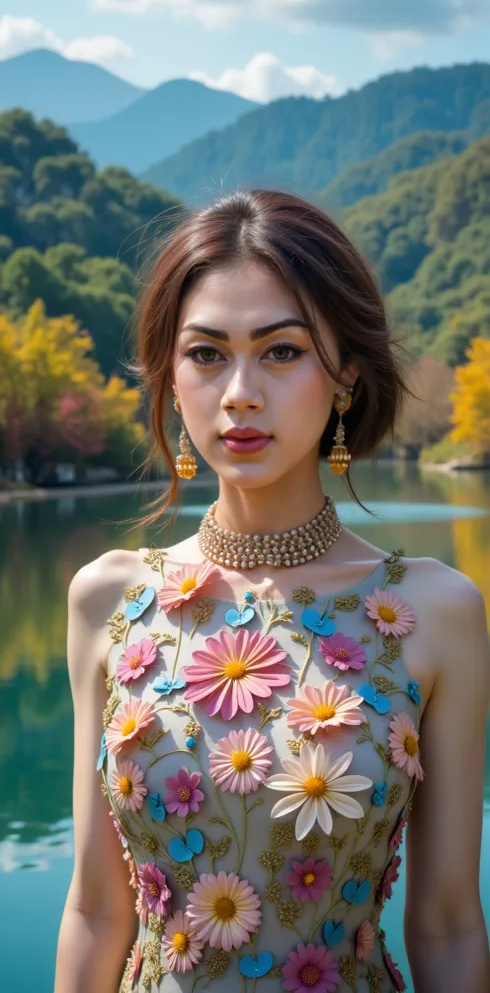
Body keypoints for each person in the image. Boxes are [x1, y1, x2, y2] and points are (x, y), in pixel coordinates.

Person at [55, 189, 490, 993]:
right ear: (170, 376)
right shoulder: (108, 600)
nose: (239, 394)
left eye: (282, 351)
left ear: (346, 375)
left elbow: (449, 924)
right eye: (207, 353)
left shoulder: (435, 612)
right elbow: (93, 911)